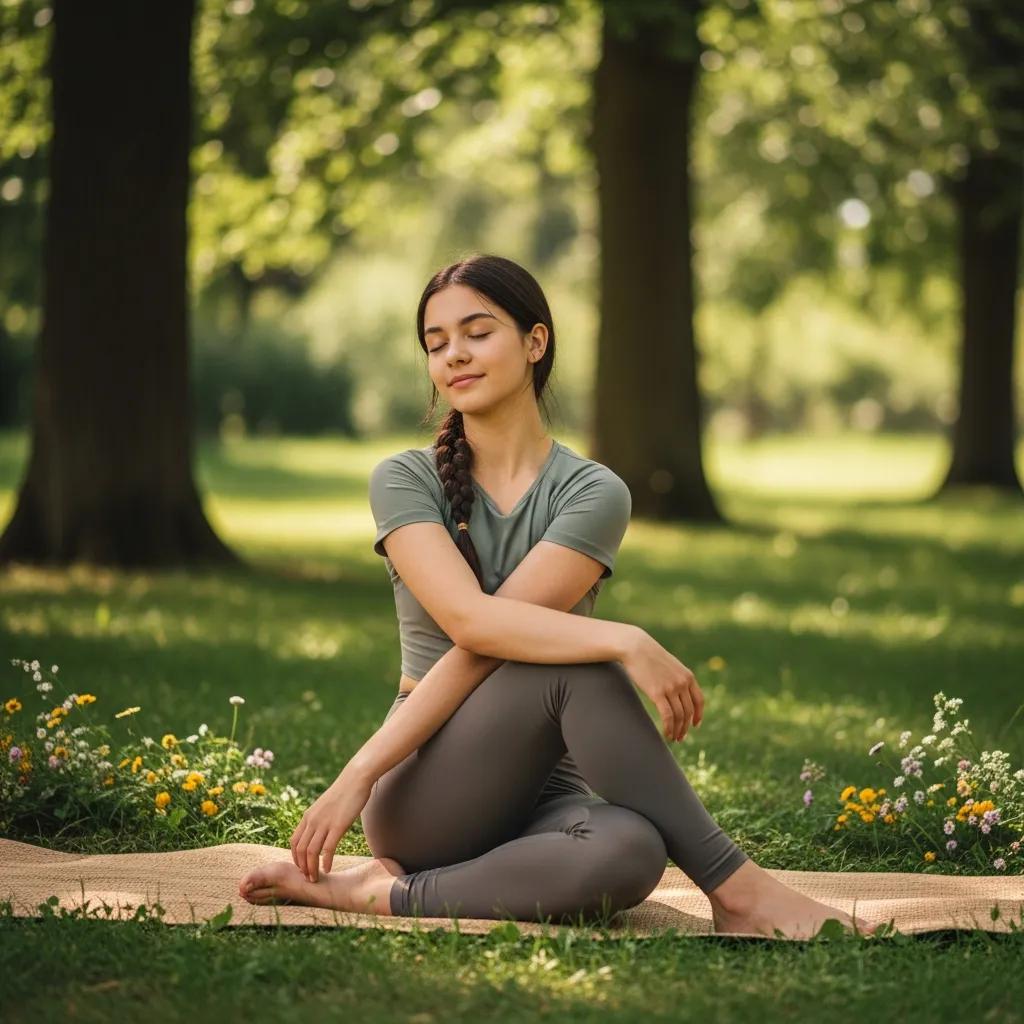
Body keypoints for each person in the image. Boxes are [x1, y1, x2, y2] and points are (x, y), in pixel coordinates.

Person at [239, 254, 877, 939]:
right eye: (436, 342)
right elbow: (471, 627)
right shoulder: (404, 480)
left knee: (632, 850)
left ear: (535, 341)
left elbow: (497, 635)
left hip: (549, 790)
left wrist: (611, 641)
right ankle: (742, 893)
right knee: (577, 660)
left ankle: (379, 893)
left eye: (477, 332)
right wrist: (362, 770)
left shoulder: (593, 492)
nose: (454, 354)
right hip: (424, 779)